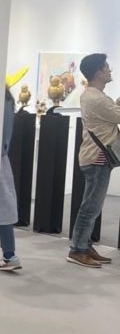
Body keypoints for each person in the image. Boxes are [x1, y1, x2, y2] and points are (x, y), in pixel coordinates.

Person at [68, 53, 120, 268]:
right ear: (98, 72)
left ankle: (84, 245)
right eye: (106, 67)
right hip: (97, 158)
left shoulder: (94, 95)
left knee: (93, 207)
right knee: (90, 207)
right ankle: (77, 250)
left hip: (96, 157)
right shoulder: (95, 98)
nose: (109, 70)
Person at [0, 87, 21, 271]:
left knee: (1, 209)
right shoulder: (6, 99)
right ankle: (9, 254)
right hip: (0, 159)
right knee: (2, 208)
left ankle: (9, 255)